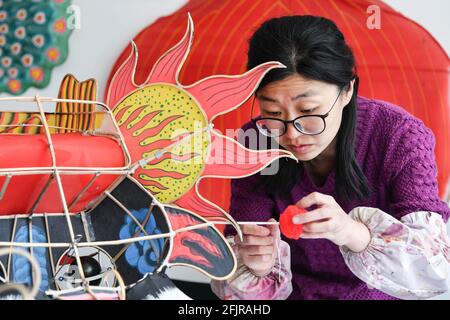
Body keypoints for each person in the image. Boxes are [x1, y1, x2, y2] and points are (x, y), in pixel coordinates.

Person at [210, 15, 450, 300]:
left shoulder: (400, 136)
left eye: (309, 110)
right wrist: (257, 266)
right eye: (273, 113)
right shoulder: (255, 141)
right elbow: (237, 268)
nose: (293, 134)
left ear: (347, 90)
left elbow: (435, 269)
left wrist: (353, 233)